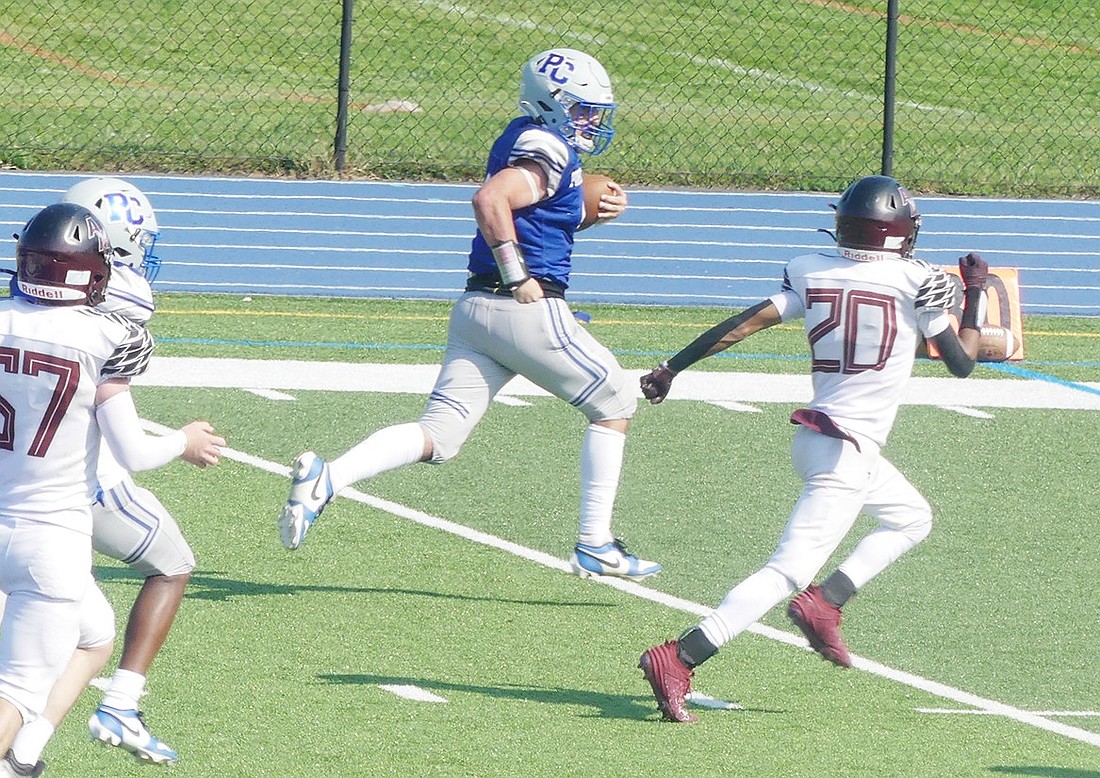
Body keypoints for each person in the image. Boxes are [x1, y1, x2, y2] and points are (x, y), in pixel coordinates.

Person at [278, 48, 660, 580]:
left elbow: (534, 218)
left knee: (440, 434)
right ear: (553, 105)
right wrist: (519, 276)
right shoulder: (547, 147)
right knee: (615, 400)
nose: (592, 122)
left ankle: (329, 478)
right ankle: (595, 543)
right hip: (522, 307)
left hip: (476, 311)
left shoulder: (525, 135)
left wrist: (583, 215)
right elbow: (490, 200)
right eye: (582, 110)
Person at [635, 175, 989, 723]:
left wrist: (672, 367)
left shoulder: (812, 270)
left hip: (823, 439)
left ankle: (827, 603)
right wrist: (976, 294)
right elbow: (962, 363)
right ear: (897, 232)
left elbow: (743, 324)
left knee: (911, 518)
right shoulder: (915, 280)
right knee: (787, 572)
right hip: (846, 450)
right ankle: (681, 655)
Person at [0, 203, 223, 776]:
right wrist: (185, 438)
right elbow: (134, 453)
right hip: (52, 536)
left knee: (95, 634)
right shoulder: (107, 337)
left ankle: (22, 759)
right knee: (18, 692)